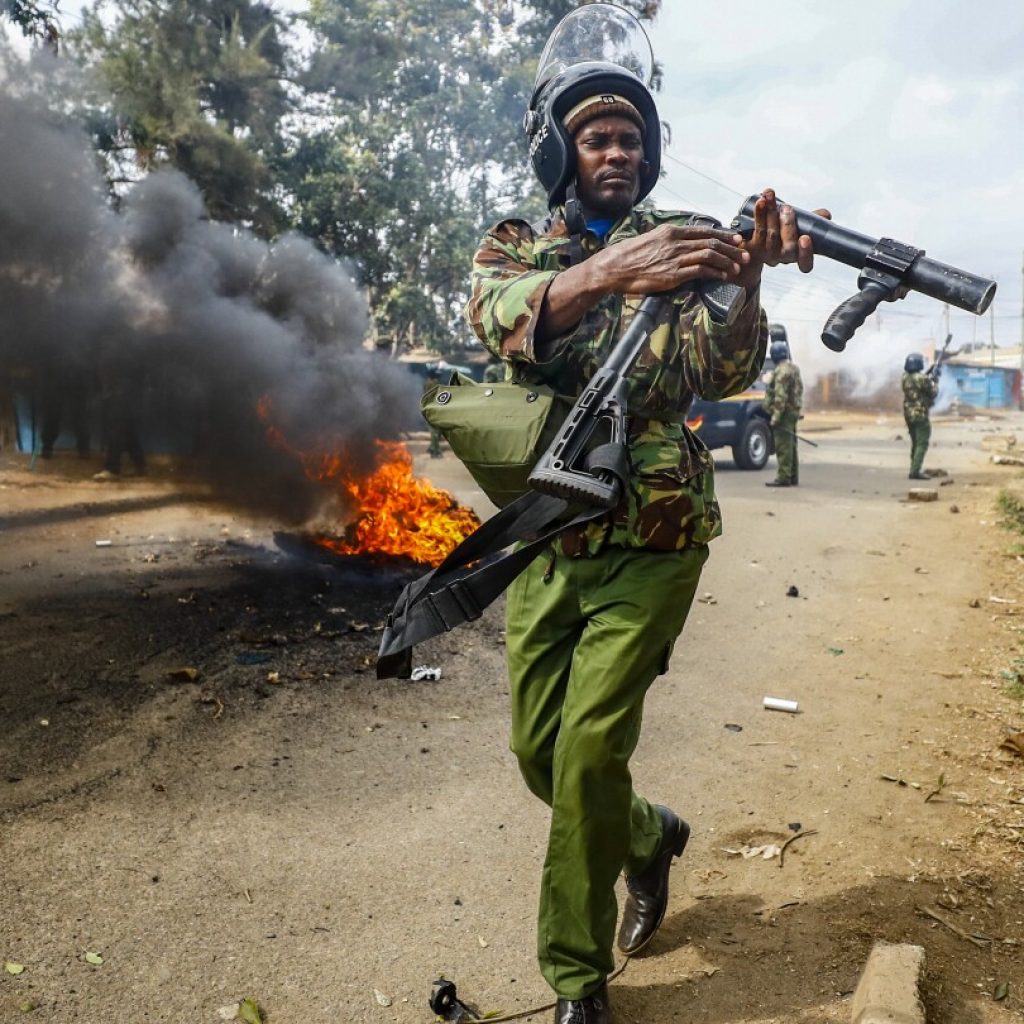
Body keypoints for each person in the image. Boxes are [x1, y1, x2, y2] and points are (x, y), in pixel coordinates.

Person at [463, 11, 829, 1021]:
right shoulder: (515, 243)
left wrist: (743, 279)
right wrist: (615, 271)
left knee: (585, 750)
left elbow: (723, 367)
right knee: (539, 755)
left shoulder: (690, 244)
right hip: (548, 531)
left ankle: (575, 983)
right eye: (596, 137)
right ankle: (650, 835)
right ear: (561, 152)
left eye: (629, 137)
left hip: (658, 537)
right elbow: (501, 321)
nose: (616, 150)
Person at [762, 327, 803, 487]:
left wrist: (775, 418)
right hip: (793, 411)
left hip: (784, 413)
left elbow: (780, 397)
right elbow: (799, 390)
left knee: (783, 446)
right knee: (791, 445)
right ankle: (793, 475)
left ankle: (783, 478)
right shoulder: (793, 368)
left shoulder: (781, 372)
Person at [902, 352, 937, 479]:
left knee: (915, 442)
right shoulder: (922, 378)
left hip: (908, 413)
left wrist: (928, 377)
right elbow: (933, 393)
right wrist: (935, 381)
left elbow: (917, 386)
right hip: (920, 414)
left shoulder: (905, 377)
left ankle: (914, 467)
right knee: (922, 443)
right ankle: (915, 471)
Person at [422, 365, 444, 458]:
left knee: (435, 431)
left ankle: (432, 447)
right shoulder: (436, 383)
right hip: (435, 409)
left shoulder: (426, 382)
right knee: (436, 432)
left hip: (428, 408)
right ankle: (435, 451)